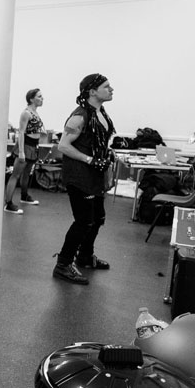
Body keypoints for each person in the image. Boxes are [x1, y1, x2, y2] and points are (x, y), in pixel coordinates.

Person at [52, 73, 115, 285]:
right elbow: (63, 145)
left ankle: (85, 256)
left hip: (94, 175)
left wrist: (106, 155)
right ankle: (63, 264)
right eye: (106, 86)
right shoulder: (79, 116)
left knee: (97, 218)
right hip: (79, 176)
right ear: (92, 91)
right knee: (84, 221)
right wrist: (90, 159)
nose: (111, 89)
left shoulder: (101, 113)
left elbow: (97, 141)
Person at [4, 88, 46, 214]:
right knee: (15, 174)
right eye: (39, 96)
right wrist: (21, 152)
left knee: (27, 173)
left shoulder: (35, 113)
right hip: (26, 145)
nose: (42, 99)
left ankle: (24, 195)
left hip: (34, 146)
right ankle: (8, 203)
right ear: (31, 99)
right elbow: (21, 132)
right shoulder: (26, 113)